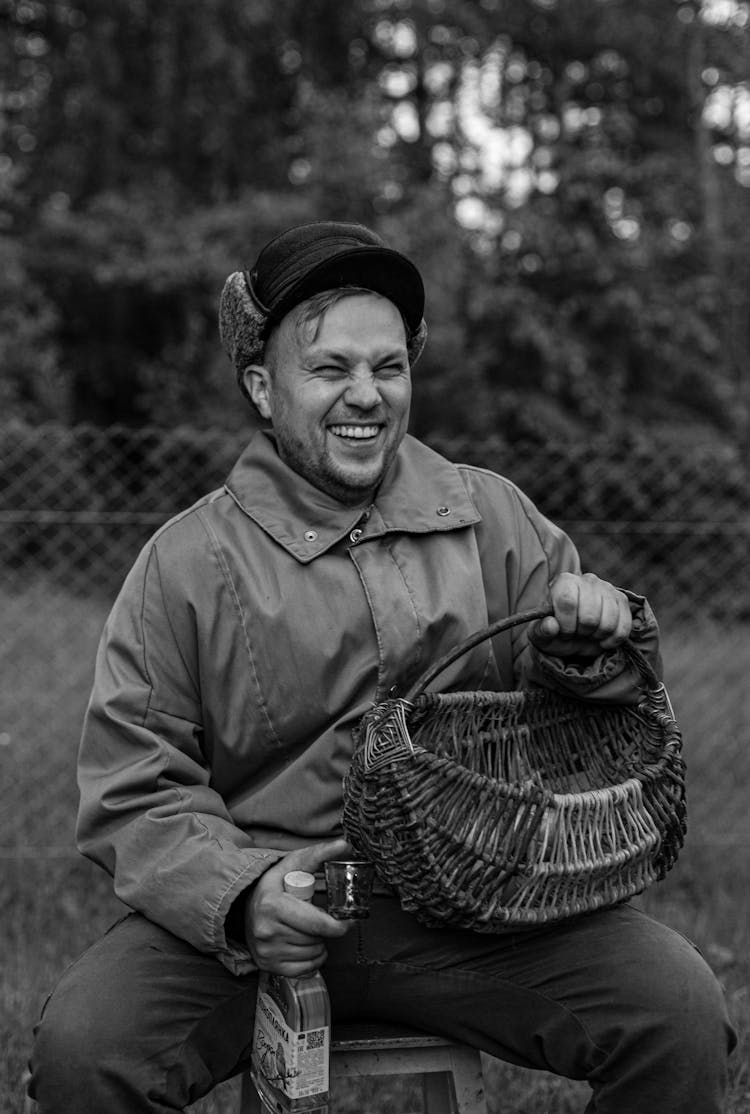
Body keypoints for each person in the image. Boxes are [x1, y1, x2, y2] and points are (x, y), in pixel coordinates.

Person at [29, 221, 734, 1113]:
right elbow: (134, 786)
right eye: (329, 370)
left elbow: (586, 727)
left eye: (388, 367)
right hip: (258, 921)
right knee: (85, 1049)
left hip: (474, 912)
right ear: (262, 386)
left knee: (676, 1009)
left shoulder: (493, 516)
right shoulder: (186, 562)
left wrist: (598, 647)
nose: (365, 395)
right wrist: (244, 895)